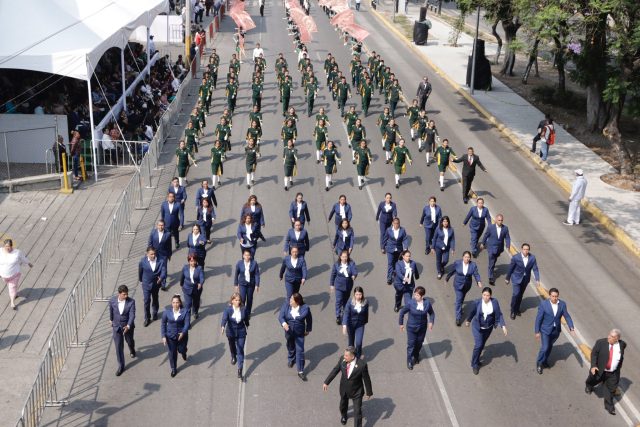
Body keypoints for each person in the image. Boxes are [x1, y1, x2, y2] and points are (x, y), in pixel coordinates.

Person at [322, 346, 373, 427]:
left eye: (346, 355)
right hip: (344, 389)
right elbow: (335, 370)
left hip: (357, 392)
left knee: (357, 412)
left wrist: (369, 392)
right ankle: (344, 415)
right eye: (344, 355)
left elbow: (366, 379)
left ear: (352, 357)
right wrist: (326, 382)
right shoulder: (342, 360)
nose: (344, 357)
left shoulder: (361, 365)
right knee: (343, 405)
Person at [465, 287, 507, 375]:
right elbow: (472, 312)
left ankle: (476, 359)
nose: (486, 297)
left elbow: (499, 314)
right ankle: (474, 364)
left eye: (488, 295)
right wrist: (468, 320)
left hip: (488, 328)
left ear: (490, 296)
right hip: (477, 327)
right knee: (478, 344)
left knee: (482, 344)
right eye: (484, 295)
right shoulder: (477, 302)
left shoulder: (494, 302)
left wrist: (503, 326)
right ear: (482, 295)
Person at [585, 329, 626, 416]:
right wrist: (593, 366)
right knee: (593, 380)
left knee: (610, 390)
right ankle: (589, 386)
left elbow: (621, 355)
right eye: (609, 335)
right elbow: (594, 354)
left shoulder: (622, 344)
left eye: (612, 336)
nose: (609, 337)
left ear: (617, 339)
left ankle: (609, 407)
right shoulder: (600, 343)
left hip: (613, 373)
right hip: (599, 370)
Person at [534, 287, 575, 374]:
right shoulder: (544, 304)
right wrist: (537, 331)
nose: (554, 298)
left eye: (556, 296)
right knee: (545, 347)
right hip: (545, 330)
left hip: (555, 330)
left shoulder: (562, 304)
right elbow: (539, 318)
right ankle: (539, 363)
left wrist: (571, 327)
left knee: (549, 346)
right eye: (553, 296)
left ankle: (544, 361)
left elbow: (567, 316)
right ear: (549, 296)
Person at [399, 286, 435, 370]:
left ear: (422, 296)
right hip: (411, 327)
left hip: (422, 328)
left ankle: (416, 355)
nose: (415, 296)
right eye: (415, 294)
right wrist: (401, 324)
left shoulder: (427, 303)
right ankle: (409, 361)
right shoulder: (410, 303)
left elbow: (432, 313)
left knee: (419, 344)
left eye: (417, 295)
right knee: (411, 345)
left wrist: (431, 322)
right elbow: (402, 312)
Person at [278, 293, 313, 381]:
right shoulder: (286, 305)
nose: (289, 301)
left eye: (292, 300)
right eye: (290, 299)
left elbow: (309, 319)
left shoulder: (305, 308)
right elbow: (281, 317)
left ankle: (300, 371)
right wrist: (284, 323)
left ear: (297, 302)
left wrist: (308, 329)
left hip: (299, 332)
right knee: (290, 345)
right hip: (289, 332)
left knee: (300, 350)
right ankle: (291, 358)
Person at [505, 243, 540, 319]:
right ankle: (513, 310)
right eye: (524, 249)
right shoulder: (516, 258)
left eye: (527, 249)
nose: (526, 251)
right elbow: (511, 268)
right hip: (516, 278)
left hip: (525, 279)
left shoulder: (532, 258)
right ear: (521, 249)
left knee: (520, 295)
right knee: (516, 294)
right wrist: (507, 278)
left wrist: (537, 279)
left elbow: (535, 269)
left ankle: (517, 309)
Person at [446, 251, 482, 326]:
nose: (467, 259)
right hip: (458, 285)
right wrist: (447, 278)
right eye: (465, 257)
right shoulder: (457, 263)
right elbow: (452, 271)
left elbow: (476, 274)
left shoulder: (473, 265)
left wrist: (478, 281)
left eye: (468, 257)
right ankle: (458, 318)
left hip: (467, 285)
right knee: (459, 299)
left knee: (462, 297)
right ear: (463, 257)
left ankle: (460, 308)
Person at [109, 284, 136, 376]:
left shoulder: (131, 302)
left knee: (129, 341)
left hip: (127, 327)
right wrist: (111, 319)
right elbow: (111, 310)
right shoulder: (112, 300)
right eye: (124, 294)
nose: (126, 296)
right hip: (116, 327)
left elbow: (132, 315)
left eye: (127, 294)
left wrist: (128, 326)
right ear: (119, 294)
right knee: (118, 347)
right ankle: (121, 366)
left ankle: (132, 349)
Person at [221, 292, 249, 379]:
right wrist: (222, 326)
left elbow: (246, 318)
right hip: (231, 332)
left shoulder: (243, 309)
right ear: (232, 301)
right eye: (236, 300)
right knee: (232, 346)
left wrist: (247, 324)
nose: (238, 302)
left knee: (240, 350)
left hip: (241, 332)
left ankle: (240, 369)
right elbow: (224, 318)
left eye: (239, 300)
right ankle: (233, 355)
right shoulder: (228, 310)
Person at [161, 294, 190, 377]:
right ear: (171, 303)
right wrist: (163, 336)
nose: (175, 304)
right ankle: (173, 368)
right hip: (170, 336)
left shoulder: (185, 311)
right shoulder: (167, 312)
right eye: (173, 302)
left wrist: (183, 332)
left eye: (177, 302)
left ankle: (184, 352)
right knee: (172, 353)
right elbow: (163, 324)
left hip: (182, 336)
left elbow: (187, 324)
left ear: (180, 303)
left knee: (181, 350)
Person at [0, 239, 33, 310]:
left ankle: (12, 302)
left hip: (14, 275)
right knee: (10, 286)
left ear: (12, 246)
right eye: (6, 246)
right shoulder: (0, 251)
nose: (7, 248)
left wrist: (28, 263)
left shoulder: (17, 252)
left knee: (12, 287)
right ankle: (15, 293)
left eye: (9, 246)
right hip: (3, 275)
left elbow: (23, 258)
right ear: (4, 246)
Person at [138, 247, 167, 326]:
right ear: (147, 254)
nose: (153, 256)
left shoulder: (160, 261)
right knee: (146, 301)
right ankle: (147, 318)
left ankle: (155, 313)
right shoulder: (142, 261)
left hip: (156, 284)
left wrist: (161, 278)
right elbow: (140, 272)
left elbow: (163, 271)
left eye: (154, 254)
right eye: (151, 254)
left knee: (155, 299)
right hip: (146, 284)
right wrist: (142, 280)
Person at [480, 214, 511, 285]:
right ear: (496, 220)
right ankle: (490, 278)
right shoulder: (491, 227)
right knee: (491, 261)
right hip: (491, 247)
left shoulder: (505, 228)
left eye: (501, 220)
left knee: (494, 260)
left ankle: (492, 267)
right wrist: (482, 243)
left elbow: (507, 237)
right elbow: (486, 235)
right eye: (499, 220)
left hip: (499, 248)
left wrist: (508, 245)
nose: (500, 222)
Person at [330, 250, 358, 324]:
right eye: (343, 257)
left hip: (348, 286)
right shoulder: (336, 265)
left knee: (345, 301)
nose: (344, 258)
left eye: (346, 257)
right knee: (339, 301)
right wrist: (332, 285)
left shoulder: (351, 264)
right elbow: (333, 275)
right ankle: (338, 316)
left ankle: (345, 314)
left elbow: (354, 271)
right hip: (339, 286)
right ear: (340, 257)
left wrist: (354, 275)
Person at [234, 250, 261, 324]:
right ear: (243, 256)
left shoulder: (254, 263)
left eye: (248, 255)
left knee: (249, 299)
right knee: (242, 299)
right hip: (242, 283)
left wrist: (257, 285)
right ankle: (242, 313)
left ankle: (248, 313)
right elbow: (236, 274)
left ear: (251, 256)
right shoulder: (239, 263)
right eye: (245, 255)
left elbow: (257, 274)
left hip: (250, 284)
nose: (247, 257)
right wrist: (236, 284)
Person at [342, 287, 369, 359]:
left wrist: (365, 321)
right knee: (351, 344)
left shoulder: (365, 302)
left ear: (362, 294)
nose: (358, 296)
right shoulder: (350, 302)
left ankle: (358, 356)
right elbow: (346, 313)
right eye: (357, 294)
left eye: (360, 294)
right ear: (354, 295)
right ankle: (350, 357)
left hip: (360, 325)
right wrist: (344, 325)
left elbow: (366, 313)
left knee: (359, 343)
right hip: (350, 325)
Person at [381, 218, 409, 285]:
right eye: (395, 223)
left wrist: (405, 248)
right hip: (390, 249)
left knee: (397, 263)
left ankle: (397, 275)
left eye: (398, 223)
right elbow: (385, 238)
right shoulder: (389, 230)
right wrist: (382, 247)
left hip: (399, 250)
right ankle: (389, 278)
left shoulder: (402, 230)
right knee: (390, 263)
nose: (396, 225)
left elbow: (405, 239)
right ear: (392, 223)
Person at [180, 254, 205, 320]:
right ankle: (187, 322)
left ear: (196, 261)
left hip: (196, 289)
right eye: (191, 261)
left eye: (194, 261)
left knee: (196, 302)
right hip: (187, 289)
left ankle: (195, 311)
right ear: (188, 261)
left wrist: (200, 283)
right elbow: (182, 277)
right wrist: (181, 284)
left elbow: (202, 278)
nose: (193, 263)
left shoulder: (199, 268)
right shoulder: (185, 267)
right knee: (188, 305)